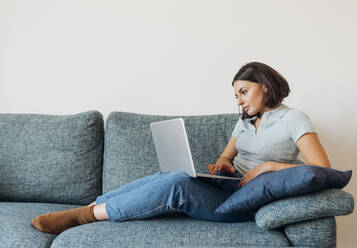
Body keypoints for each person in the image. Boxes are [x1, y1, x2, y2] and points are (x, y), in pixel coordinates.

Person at [32, 62, 331, 234]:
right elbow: (227, 155)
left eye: (243, 91)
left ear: (265, 86)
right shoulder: (245, 121)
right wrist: (222, 165)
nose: (239, 99)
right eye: (236, 95)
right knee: (172, 174)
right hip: (230, 185)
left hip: (244, 201)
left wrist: (267, 167)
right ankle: (92, 205)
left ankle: (87, 216)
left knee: (176, 186)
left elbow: (322, 171)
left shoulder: (294, 119)